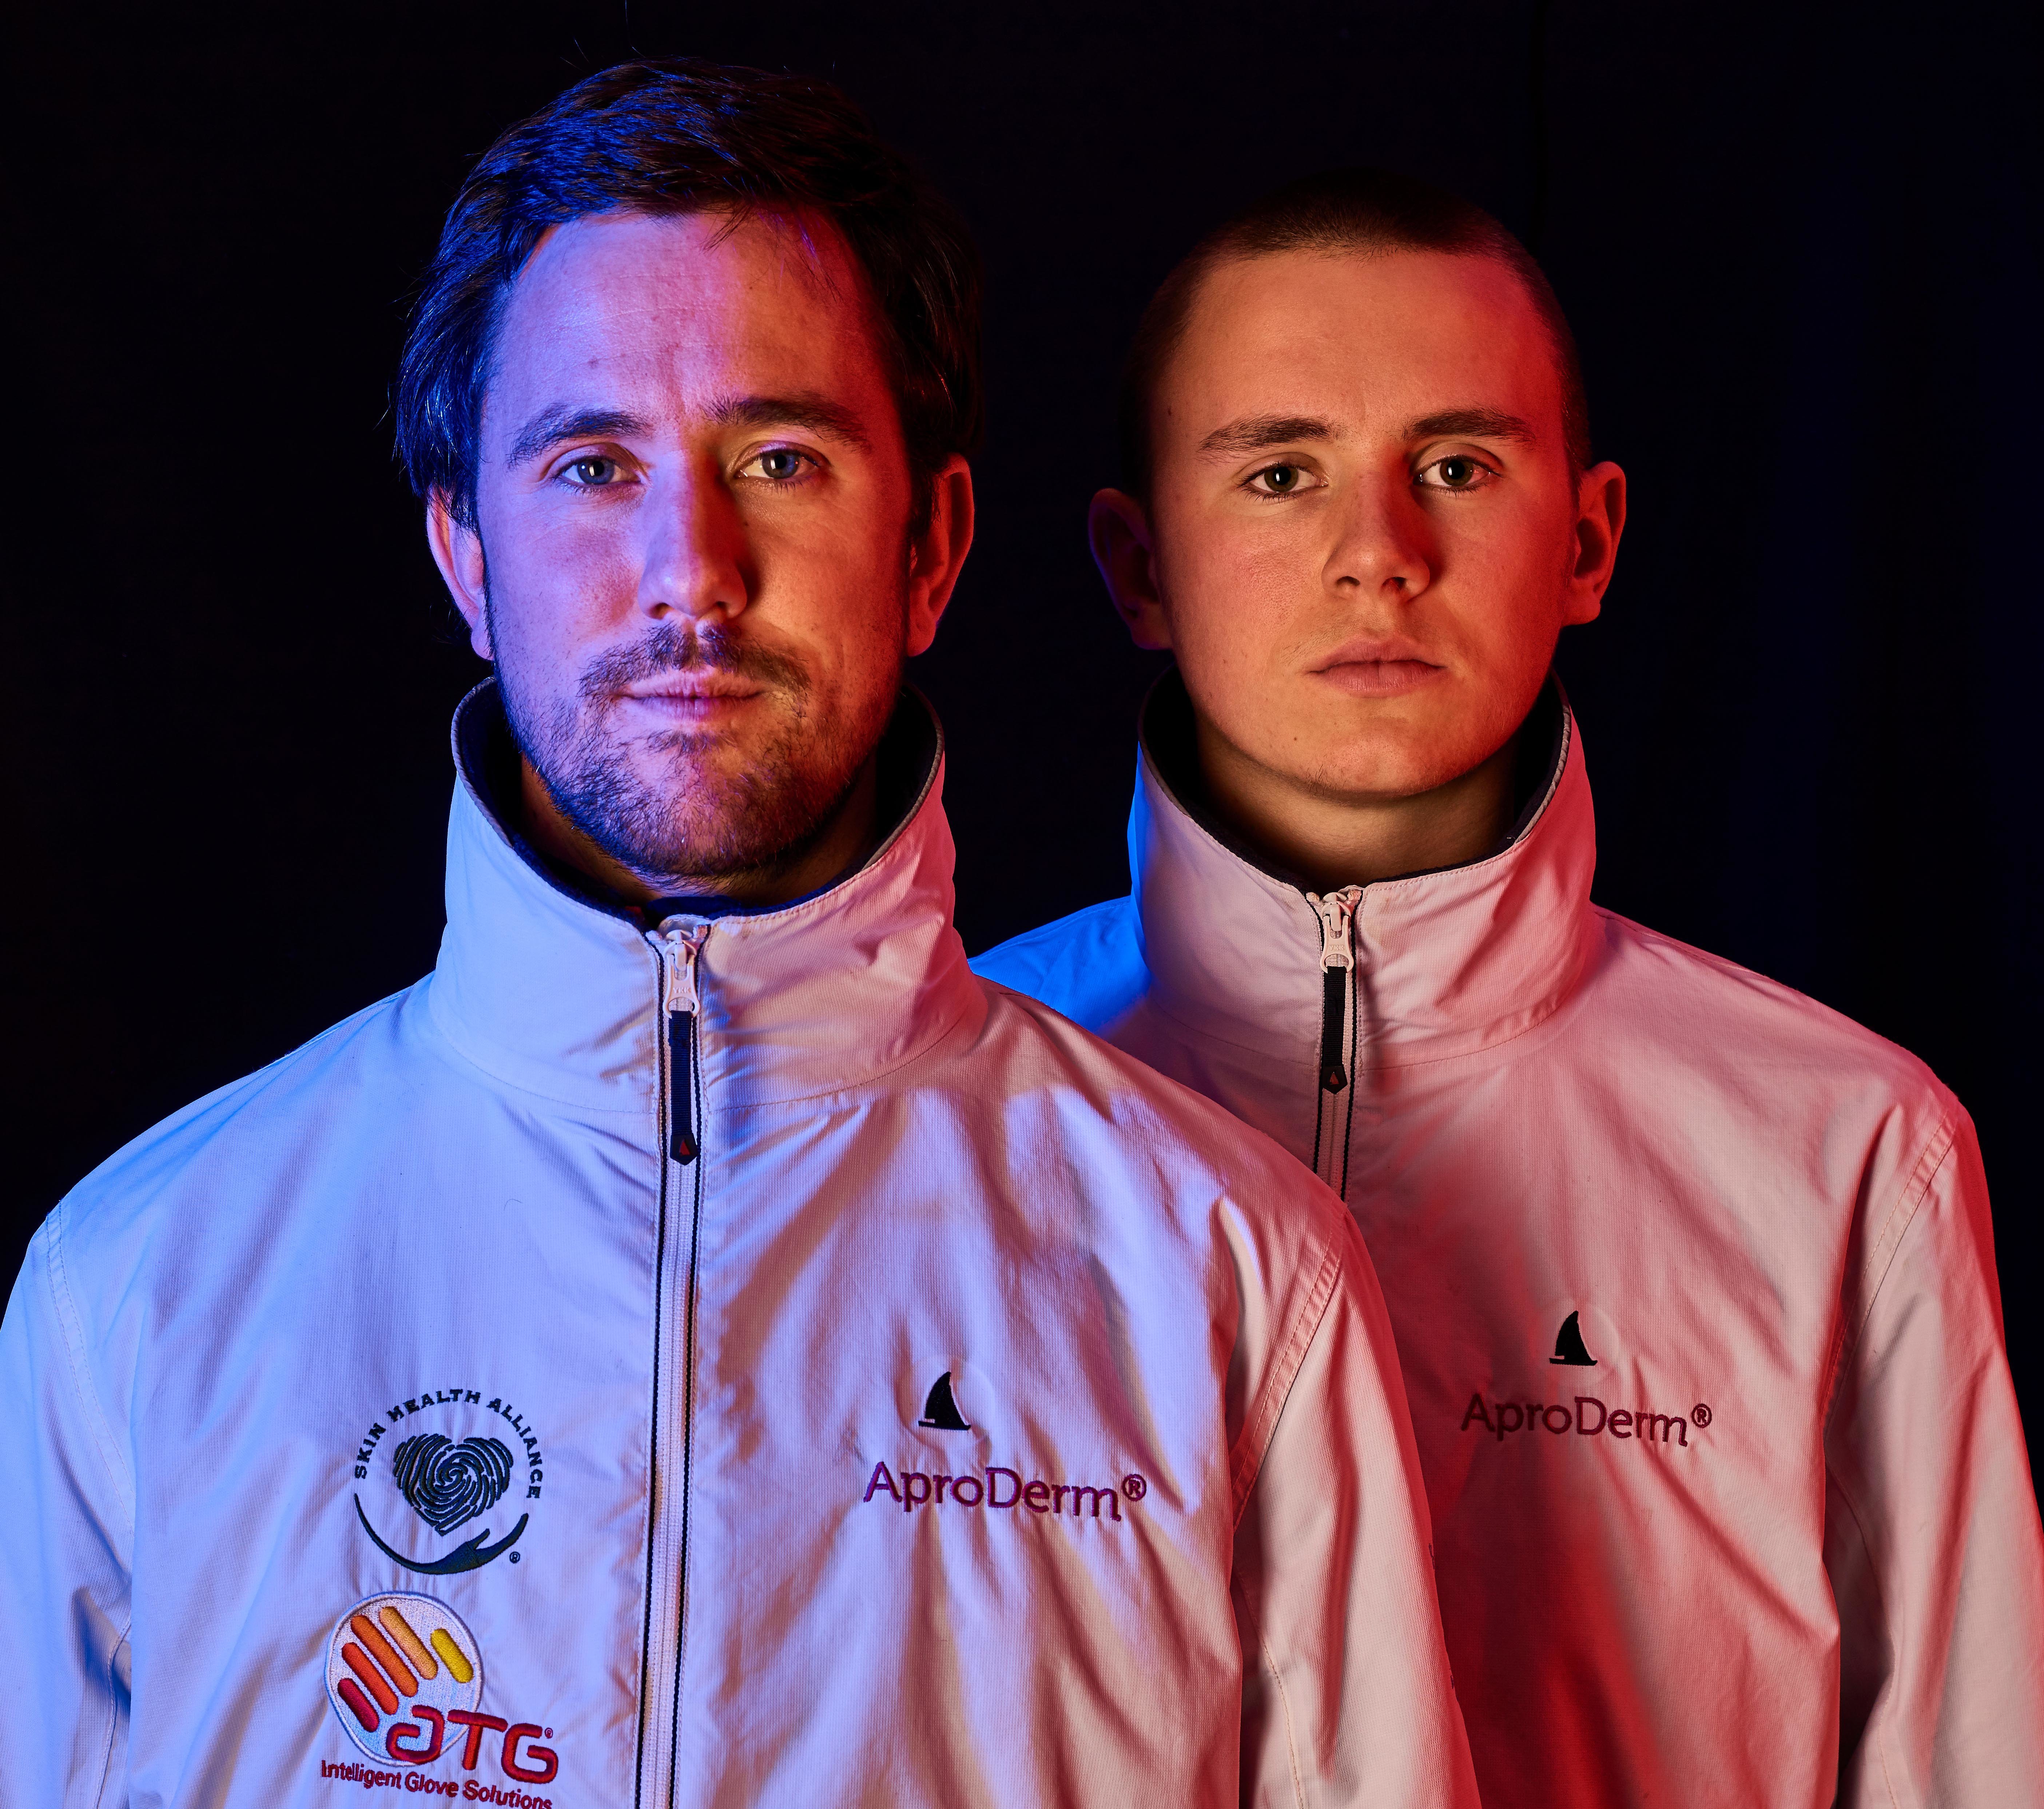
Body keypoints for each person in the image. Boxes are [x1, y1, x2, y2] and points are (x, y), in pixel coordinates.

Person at [0, 74, 1478, 1809]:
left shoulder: (1229, 1275)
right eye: (593, 465)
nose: (691, 570)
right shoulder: (142, 1285)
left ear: (929, 548)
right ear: (465, 550)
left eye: (779, 459)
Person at [974, 168, 2044, 1807]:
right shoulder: (930, 1119)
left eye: (1457, 466)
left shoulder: (1851, 1154)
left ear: (1590, 538)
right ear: (1137, 565)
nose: (1378, 555)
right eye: (1278, 473)